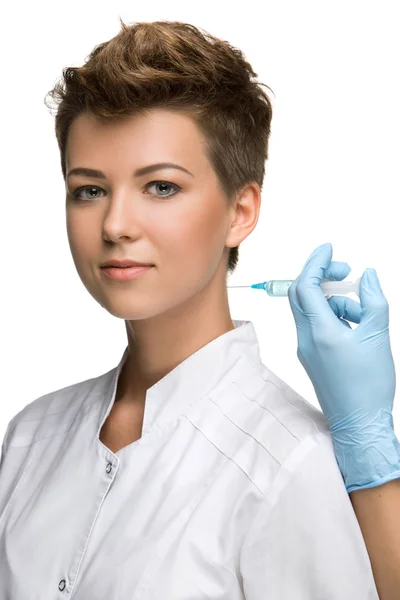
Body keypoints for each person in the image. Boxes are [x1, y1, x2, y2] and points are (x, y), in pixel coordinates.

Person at [0, 18, 397, 599]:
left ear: (240, 211)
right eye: (89, 189)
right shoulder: (30, 437)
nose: (115, 225)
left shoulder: (287, 466)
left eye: (160, 186)